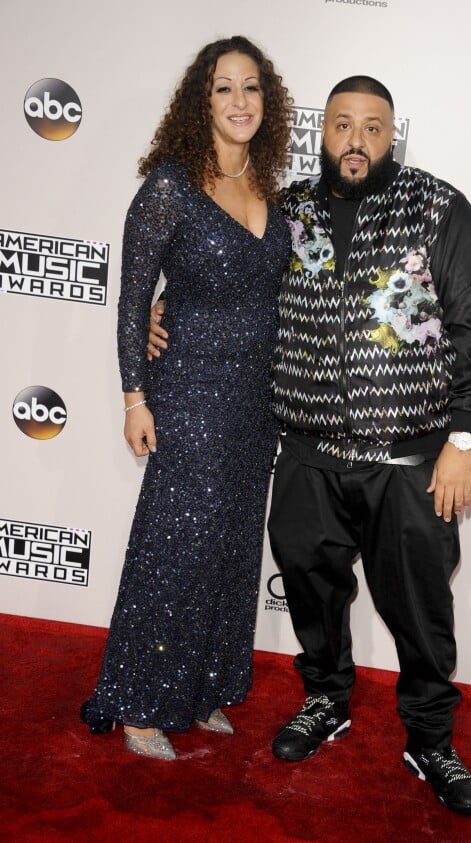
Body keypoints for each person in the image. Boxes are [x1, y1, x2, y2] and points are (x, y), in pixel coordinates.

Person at [149, 76, 471, 813]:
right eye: (342, 124)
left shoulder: (437, 208)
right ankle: (326, 700)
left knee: (419, 609)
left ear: (391, 135)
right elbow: (233, 281)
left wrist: (463, 438)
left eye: (372, 127)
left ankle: (431, 738)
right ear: (323, 132)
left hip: (408, 460)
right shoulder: (292, 212)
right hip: (308, 452)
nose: (355, 140)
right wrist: (168, 304)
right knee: (312, 592)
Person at [80, 36, 292, 761]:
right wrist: (135, 397)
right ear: (200, 102)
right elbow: (132, 299)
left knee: (232, 548)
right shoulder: (171, 185)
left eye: (252, 88)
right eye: (223, 88)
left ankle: (202, 689)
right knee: (176, 546)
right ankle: (140, 699)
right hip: (190, 391)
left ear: (268, 101)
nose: (239, 102)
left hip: (254, 404)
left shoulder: (269, 188)